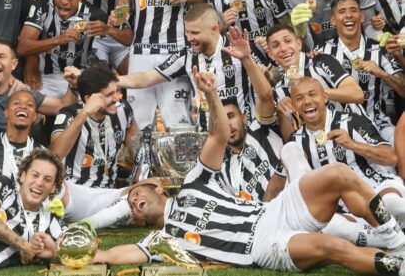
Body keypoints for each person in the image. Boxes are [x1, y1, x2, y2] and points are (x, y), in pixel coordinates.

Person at [93, 70, 405, 276]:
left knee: (337, 172)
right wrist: (92, 256)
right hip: (260, 246)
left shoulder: (193, 184)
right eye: (132, 203)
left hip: (272, 211)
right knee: (334, 248)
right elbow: (119, 254)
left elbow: (216, 137)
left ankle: (396, 242)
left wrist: (211, 94)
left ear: (157, 188)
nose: (134, 200)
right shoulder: (162, 240)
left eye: (136, 193)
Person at [97, 4, 258, 131]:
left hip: (241, 133)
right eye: (187, 32)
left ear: (214, 29)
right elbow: (147, 78)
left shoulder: (240, 50)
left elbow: (267, 77)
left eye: (194, 33)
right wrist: (111, 80)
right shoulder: (186, 56)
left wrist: (260, 69)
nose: (189, 38)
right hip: (208, 137)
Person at [288, 77, 405, 226]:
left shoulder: (351, 121)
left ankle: (384, 230)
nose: (307, 101)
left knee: (392, 204)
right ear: (293, 106)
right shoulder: (294, 142)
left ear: (324, 97)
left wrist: (353, 144)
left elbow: (391, 158)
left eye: (312, 94)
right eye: (299, 98)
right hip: (345, 208)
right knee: (329, 227)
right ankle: (385, 232)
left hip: (378, 187)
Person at [116, 0, 207, 129]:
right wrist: (120, 15)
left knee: (178, 119)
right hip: (142, 48)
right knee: (137, 120)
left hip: (178, 48)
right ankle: (140, 157)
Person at [18, 0, 129, 97]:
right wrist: (59, 40)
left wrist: (109, 30)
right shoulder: (42, 6)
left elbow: (129, 39)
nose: (64, 1)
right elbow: (22, 48)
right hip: (46, 79)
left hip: (80, 79)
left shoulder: (93, 14)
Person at [208, 27, 285, 202]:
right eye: (221, 122)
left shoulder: (261, 130)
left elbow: (265, 96)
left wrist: (246, 59)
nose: (227, 125)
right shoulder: (223, 170)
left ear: (243, 117)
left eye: (231, 117)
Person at [320, 0, 405, 145]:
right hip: (339, 127)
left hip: (378, 123)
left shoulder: (379, 49)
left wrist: (382, 74)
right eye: (342, 11)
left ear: (362, 17)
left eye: (353, 10)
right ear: (333, 20)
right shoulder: (322, 52)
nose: (348, 15)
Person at [265, 25, 364, 139]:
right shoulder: (278, 91)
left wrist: (314, 90)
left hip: (357, 133)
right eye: (276, 45)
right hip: (324, 150)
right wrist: (281, 113)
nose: (283, 48)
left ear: (298, 44)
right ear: (270, 55)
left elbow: (357, 94)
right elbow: (292, 141)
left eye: (287, 41)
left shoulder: (321, 61)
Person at [51, 66, 137, 188]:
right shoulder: (69, 114)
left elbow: (133, 134)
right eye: (109, 94)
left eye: (116, 91)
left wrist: (140, 172)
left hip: (109, 191)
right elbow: (55, 155)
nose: (116, 98)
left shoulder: (123, 109)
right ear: (88, 99)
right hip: (73, 190)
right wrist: (84, 113)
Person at [73, 0, 132, 72]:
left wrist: (118, 19)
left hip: (120, 33)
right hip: (91, 35)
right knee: (99, 81)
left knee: (136, 81)